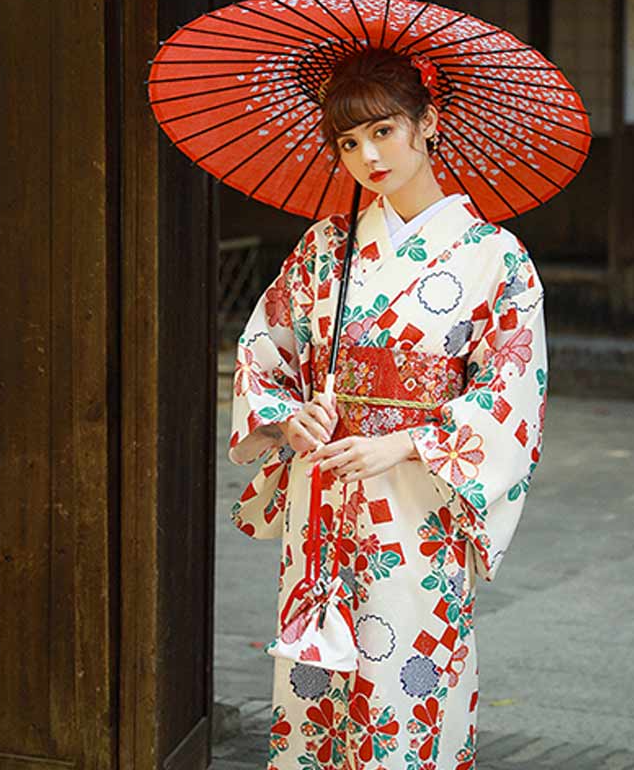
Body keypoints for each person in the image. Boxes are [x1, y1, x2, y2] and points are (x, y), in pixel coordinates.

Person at [228, 47, 548, 770]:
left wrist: (403, 443)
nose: (366, 155)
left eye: (383, 131)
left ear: (427, 123)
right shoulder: (324, 249)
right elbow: (262, 351)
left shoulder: (494, 258)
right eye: (347, 141)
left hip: (416, 503)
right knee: (313, 688)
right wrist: (287, 413)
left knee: (407, 681)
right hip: (324, 493)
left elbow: (509, 396)